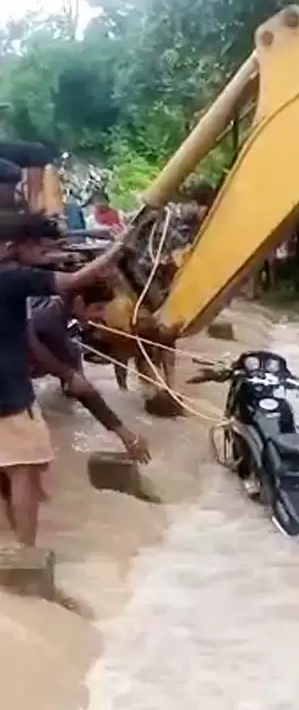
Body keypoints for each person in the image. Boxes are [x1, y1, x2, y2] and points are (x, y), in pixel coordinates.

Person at [0, 211, 135, 546]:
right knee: (24, 469)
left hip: (13, 386)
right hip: (9, 390)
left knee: (26, 470)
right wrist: (116, 250)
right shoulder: (16, 280)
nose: (46, 258)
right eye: (40, 250)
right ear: (10, 247)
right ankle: (26, 555)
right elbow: (70, 282)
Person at [26, 287, 151, 463]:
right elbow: (85, 393)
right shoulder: (49, 322)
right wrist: (125, 434)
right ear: (78, 302)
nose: (101, 316)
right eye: (98, 308)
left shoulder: (49, 304)